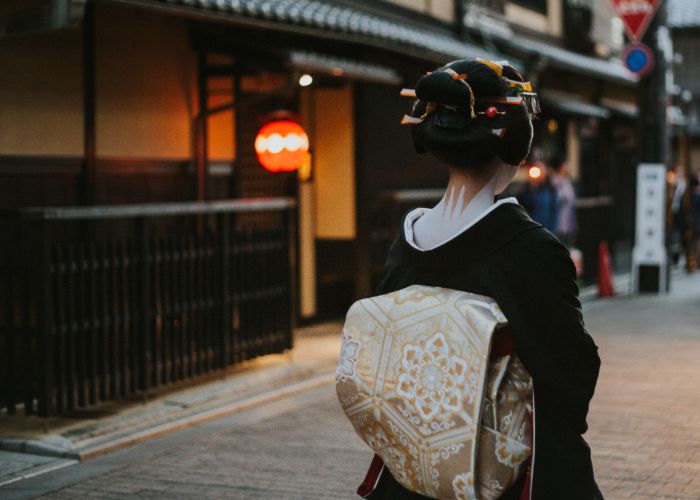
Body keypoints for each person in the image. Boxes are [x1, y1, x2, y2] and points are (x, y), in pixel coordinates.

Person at [363, 59, 602, 499]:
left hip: (419, 458)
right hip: (502, 465)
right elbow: (570, 372)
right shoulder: (531, 248)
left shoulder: (408, 237)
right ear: (517, 143)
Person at [519, 163, 559, 234]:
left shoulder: (550, 190)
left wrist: (551, 230)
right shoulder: (526, 191)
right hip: (530, 230)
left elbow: (554, 210)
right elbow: (523, 207)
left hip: (547, 230)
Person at [550, 155, 577, 246]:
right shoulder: (553, 181)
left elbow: (571, 200)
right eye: (566, 164)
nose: (567, 167)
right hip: (556, 224)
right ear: (560, 166)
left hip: (568, 223)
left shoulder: (567, 181)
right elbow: (556, 200)